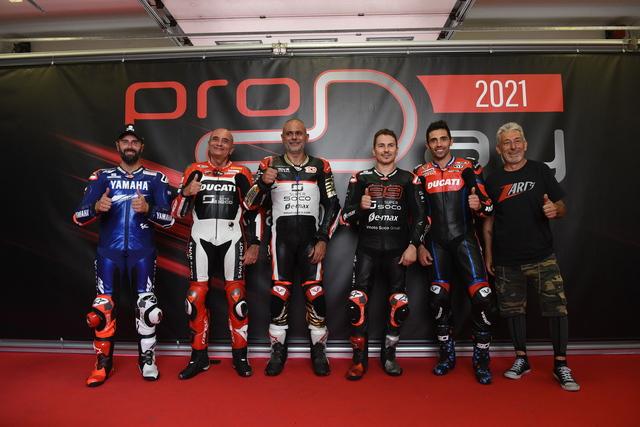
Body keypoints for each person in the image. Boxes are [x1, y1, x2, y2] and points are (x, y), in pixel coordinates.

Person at [73, 124, 174, 387]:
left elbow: (169, 220)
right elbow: (78, 216)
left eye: (134, 141)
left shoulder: (156, 178)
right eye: (125, 141)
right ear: (117, 146)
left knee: (147, 309)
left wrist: (149, 209)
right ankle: (103, 363)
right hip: (109, 252)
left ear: (142, 147)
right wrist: (96, 207)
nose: (130, 145)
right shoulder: (101, 177)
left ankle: (147, 360)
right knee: (102, 309)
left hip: (143, 252)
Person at [483, 122, 580, 392]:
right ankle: (521, 359)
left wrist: (555, 210)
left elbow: (561, 206)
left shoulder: (540, 171)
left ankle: (560, 364)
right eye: (507, 142)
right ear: (499, 149)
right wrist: (488, 254)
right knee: (513, 311)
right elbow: (488, 222)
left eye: (517, 141)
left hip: (541, 255)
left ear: (525, 144)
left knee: (557, 308)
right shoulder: (492, 181)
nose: (512, 147)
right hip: (506, 259)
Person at [245, 118, 341, 376]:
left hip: (311, 240)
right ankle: (277, 350)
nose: (294, 137)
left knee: (315, 293)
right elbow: (249, 204)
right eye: (289, 133)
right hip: (281, 241)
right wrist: (263, 183)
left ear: (306, 137)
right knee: (279, 293)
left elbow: (333, 205)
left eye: (299, 133)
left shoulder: (320, 166)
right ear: (283, 137)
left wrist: (323, 238)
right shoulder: (268, 164)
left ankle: (319, 350)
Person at [171, 128, 261, 379]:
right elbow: (177, 213)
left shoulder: (241, 172)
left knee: (237, 298)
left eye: (225, 141)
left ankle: (240, 356)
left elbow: (253, 209)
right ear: (209, 144)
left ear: (232, 148)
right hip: (200, 237)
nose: (220, 144)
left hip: (233, 238)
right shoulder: (194, 170)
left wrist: (255, 243)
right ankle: (199, 357)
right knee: (194, 298)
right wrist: (186, 193)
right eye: (216, 140)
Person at [341, 129, 427, 380]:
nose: (386, 150)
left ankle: (389, 356)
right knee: (357, 304)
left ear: (397, 150)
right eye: (381, 145)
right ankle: (359, 359)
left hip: (397, 252)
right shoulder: (361, 178)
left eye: (390, 145)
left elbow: (421, 217)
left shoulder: (409, 179)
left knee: (399, 305)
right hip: (367, 250)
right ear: (374, 150)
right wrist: (360, 208)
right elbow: (346, 217)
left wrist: (413, 245)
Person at [414, 120, 495, 385]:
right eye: (433, 140)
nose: (438, 144)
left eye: (443, 139)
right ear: (428, 145)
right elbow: (417, 216)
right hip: (436, 244)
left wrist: (479, 205)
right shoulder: (420, 173)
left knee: (482, 298)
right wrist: (420, 244)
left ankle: (481, 359)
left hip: (465, 240)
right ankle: (446, 355)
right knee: (438, 298)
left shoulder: (468, 167)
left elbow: (489, 207)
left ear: (451, 141)